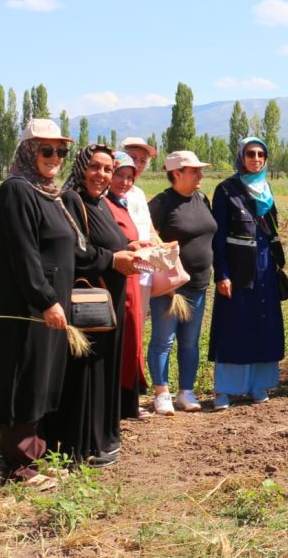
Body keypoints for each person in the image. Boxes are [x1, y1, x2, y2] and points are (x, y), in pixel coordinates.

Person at [0, 119, 78, 489]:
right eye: (45, 150)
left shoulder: (47, 192)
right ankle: (20, 468)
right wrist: (46, 299)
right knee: (22, 381)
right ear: (27, 151)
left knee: (39, 380)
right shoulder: (17, 192)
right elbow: (24, 255)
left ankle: (34, 457)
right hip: (26, 308)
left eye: (60, 151)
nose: (55, 157)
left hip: (47, 307)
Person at [41, 145, 142, 466]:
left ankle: (102, 438)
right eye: (95, 167)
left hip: (108, 300)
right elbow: (77, 252)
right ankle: (82, 445)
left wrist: (131, 247)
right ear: (82, 167)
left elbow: (105, 242)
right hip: (88, 302)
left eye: (108, 169)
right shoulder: (72, 200)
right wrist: (115, 258)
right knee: (86, 373)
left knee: (103, 371)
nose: (102, 175)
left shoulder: (100, 204)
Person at [209, 138, 285, 409]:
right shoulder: (226, 190)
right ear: (241, 156)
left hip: (265, 268)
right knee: (234, 326)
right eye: (250, 153)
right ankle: (224, 390)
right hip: (238, 269)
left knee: (263, 324)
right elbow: (217, 238)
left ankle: (257, 385)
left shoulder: (266, 189)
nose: (256, 158)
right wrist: (222, 274)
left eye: (261, 154)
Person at [147, 151, 217, 413]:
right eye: (194, 170)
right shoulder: (162, 203)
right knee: (163, 340)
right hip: (170, 288)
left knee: (190, 341)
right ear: (176, 173)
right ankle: (161, 392)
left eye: (200, 170)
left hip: (198, 285)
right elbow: (149, 237)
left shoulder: (201, 198)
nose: (200, 174)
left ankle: (186, 391)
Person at [103, 151, 153, 420]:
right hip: (114, 281)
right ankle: (118, 404)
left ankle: (128, 402)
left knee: (132, 339)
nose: (124, 182)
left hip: (132, 279)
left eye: (129, 177)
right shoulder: (102, 204)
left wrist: (138, 244)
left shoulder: (121, 203)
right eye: (119, 175)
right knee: (118, 342)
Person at [121, 137, 157, 320]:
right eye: (133, 157)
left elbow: (149, 227)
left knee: (138, 322)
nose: (138, 164)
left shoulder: (139, 193)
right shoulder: (109, 191)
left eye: (143, 160)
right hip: (124, 268)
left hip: (145, 269)